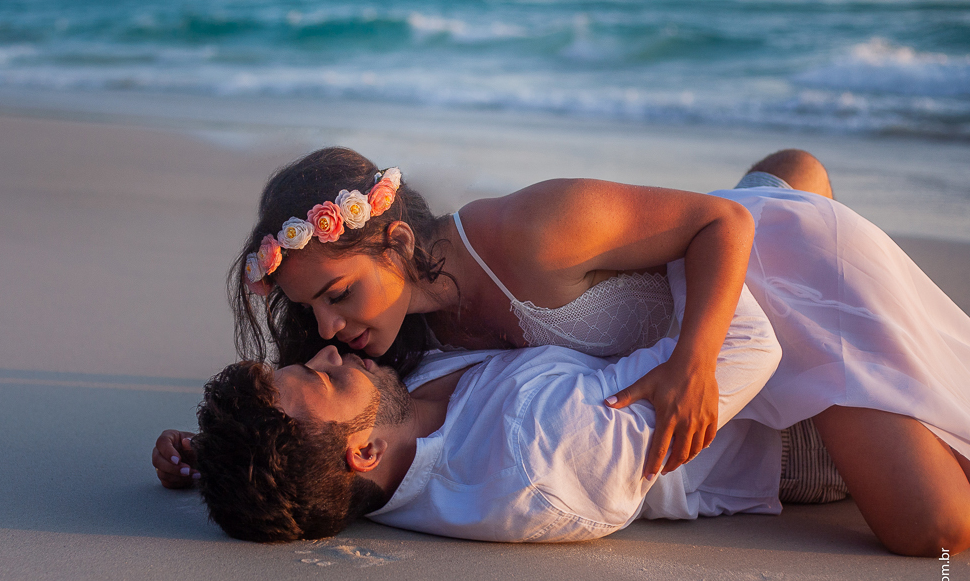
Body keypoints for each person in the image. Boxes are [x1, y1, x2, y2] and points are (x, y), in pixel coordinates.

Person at [188, 147, 970, 556]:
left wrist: (695, 359)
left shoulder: (530, 230)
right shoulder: (408, 340)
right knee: (783, 183)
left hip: (778, 285)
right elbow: (319, 435)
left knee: (928, 530)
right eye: (311, 313)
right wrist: (215, 456)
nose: (326, 333)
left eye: (337, 295)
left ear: (395, 240)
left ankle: (791, 198)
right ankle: (787, 180)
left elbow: (722, 229)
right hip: (725, 329)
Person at [158, 271, 793, 545]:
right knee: (782, 184)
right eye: (321, 378)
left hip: (746, 356)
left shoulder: (368, 452)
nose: (326, 353)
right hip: (793, 421)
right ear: (364, 451)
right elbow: (749, 344)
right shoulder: (544, 448)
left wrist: (210, 456)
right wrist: (656, 232)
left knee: (792, 172)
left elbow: (284, 467)